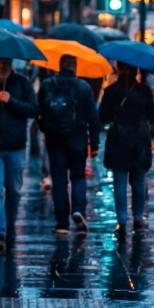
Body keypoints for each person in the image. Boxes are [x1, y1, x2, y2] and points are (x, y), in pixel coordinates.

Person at [0, 56, 38, 250]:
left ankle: (10, 225)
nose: (1, 64)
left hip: (15, 146)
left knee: (14, 191)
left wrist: (11, 101)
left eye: (5, 61)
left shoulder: (22, 83)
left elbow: (33, 109)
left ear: (11, 62)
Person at [37, 53, 100, 235]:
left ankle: (62, 224)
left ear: (60, 66)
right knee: (78, 176)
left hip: (54, 139)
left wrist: (45, 128)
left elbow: (38, 111)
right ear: (75, 67)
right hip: (77, 139)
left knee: (59, 180)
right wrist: (94, 143)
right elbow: (93, 117)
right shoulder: (83, 87)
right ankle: (78, 210)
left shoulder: (47, 85)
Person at [97, 63, 154, 236]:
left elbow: (103, 117)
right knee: (138, 183)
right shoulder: (144, 90)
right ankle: (138, 219)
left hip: (118, 140)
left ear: (118, 69)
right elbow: (152, 115)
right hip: (139, 142)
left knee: (119, 183)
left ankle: (122, 222)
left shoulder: (110, 91)